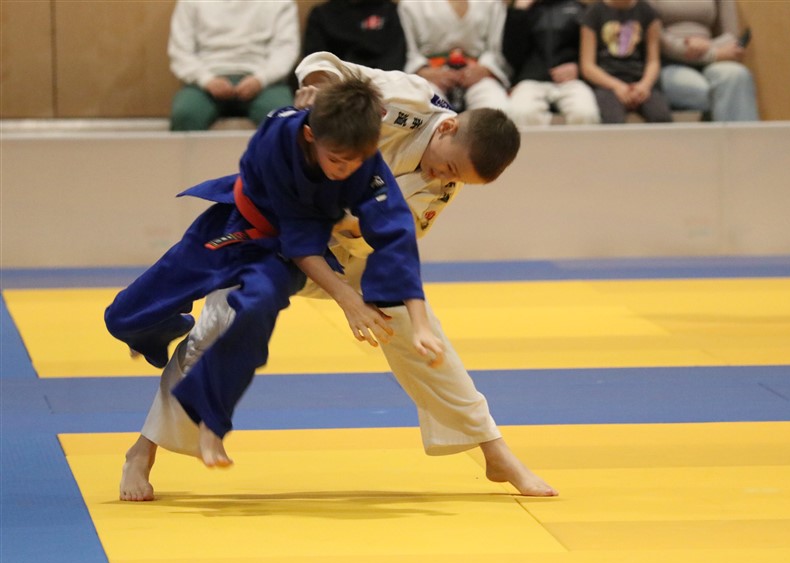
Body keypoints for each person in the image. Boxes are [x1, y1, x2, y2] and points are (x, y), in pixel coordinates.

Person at [119, 52, 558, 502]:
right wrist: (318, 87)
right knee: (223, 322)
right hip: (276, 232)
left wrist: (355, 249)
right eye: (449, 168)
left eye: (458, 179)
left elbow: (393, 241)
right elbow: (324, 65)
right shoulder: (407, 98)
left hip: (345, 255)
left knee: (422, 337)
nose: (444, 178)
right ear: (446, 128)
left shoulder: (443, 185)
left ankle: (494, 451)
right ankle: (143, 451)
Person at [107, 75, 446, 468]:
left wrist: (420, 323)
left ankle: (210, 421)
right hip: (234, 227)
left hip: (278, 257)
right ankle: (156, 330)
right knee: (124, 316)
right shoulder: (279, 137)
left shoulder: (362, 159)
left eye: (356, 161)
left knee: (256, 308)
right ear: (310, 136)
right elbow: (301, 240)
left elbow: (397, 238)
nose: (346, 169)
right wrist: (346, 298)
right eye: (336, 160)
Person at [167, 0, 300, 131]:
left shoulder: (281, 3)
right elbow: (180, 52)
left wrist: (260, 79)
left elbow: (285, 50)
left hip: (265, 82)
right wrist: (207, 80)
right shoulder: (189, 3)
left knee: (282, 118)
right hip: (205, 81)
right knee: (185, 115)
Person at [647, 0, 759, 122]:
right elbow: (656, 37)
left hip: (712, 58)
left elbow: (731, 36)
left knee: (737, 75)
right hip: (667, 64)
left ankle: (741, 135)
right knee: (701, 91)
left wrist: (708, 46)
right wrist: (710, 54)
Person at [397, 0, 511, 112]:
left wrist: (484, 69)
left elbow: (495, 50)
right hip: (430, 75)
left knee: (498, 110)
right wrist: (423, 71)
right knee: (427, 109)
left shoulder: (493, 3)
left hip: (477, 73)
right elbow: (410, 53)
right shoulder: (410, 4)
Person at [503, 0, 600, 126]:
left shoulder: (579, 8)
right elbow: (511, 55)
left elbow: (596, 52)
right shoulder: (521, 10)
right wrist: (519, 11)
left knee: (585, 113)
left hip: (571, 81)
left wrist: (578, 68)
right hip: (531, 81)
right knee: (521, 112)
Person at [579, 0, 672, 124]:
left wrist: (644, 85)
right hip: (606, 82)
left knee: (661, 116)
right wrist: (617, 86)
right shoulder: (594, 12)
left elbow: (653, 61)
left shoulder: (648, 12)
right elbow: (587, 66)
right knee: (612, 119)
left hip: (639, 80)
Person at [302, 0, 406, 71]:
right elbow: (315, 61)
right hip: (338, 86)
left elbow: (396, 55)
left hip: (384, 82)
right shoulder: (322, 14)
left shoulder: (390, 10)